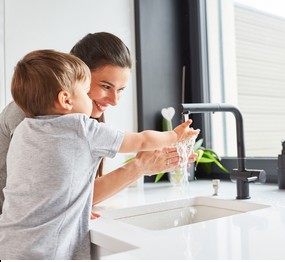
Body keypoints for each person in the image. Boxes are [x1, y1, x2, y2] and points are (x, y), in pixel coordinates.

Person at [0, 49, 199, 260]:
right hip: (47, 253)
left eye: (121, 90)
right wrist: (174, 136)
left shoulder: (25, 128)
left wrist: (79, 205)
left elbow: (44, 186)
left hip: (9, 244)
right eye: (95, 89)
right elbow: (141, 140)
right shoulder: (79, 127)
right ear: (66, 99)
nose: (114, 101)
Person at [0, 32, 190, 216]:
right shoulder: (32, 116)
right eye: (106, 86)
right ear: (79, 76)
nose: (115, 101)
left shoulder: (76, 121)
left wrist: (141, 166)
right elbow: (42, 200)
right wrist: (149, 158)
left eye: (121, 89)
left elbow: (77, 194)